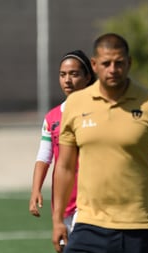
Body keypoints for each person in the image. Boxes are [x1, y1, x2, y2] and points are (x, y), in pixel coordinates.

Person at [51, 33, 148, 253]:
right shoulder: (76, 105)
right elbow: (64, 167)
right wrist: (57, 220)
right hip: (87, 225)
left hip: (137, 227)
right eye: (106, 63)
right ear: (95, 65)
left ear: (129, 63)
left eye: (119, 62)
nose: (113, 69)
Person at [29, 49, 95, 233]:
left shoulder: (100, 111)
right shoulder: (52, 117)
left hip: (94, 200)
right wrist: (36, 190)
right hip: (65, 200)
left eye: (74, 74)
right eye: (63, 74)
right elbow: (44, 156)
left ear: (88, 76)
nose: (67, 80)